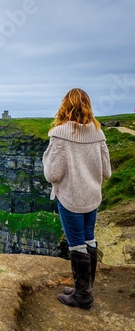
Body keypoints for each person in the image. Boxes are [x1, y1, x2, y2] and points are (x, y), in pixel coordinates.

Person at [42, 88, 111, 310]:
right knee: (89, 239)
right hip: (92, 196)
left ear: (65, 106)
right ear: (87, 105)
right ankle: (85, 288)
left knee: (77, 244)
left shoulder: (60, 134)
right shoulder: (98, 134)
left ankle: (82, 296)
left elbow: (52, 174)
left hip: (70, 197)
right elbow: (107, 171)